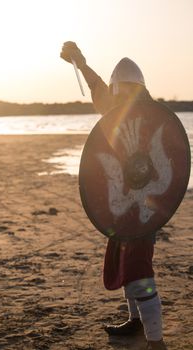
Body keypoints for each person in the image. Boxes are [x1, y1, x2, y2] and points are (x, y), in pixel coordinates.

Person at [60, 41, 167, 350]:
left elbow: (168, 158)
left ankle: (156, 341)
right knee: (125, 260)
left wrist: (80, 62)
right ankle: (135, 323)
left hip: (145, 205)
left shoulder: (153, 118)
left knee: (138, 267)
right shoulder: (116, 110)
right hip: (122, 202)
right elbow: (96, 86)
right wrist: (79, 62)